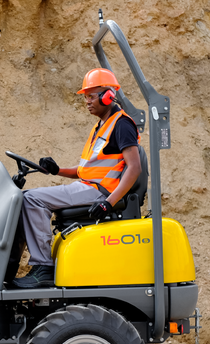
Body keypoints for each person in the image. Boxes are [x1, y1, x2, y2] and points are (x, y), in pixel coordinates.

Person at [10, 68, 142, 289]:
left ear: (108, 95)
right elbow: (85, 170)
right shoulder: (100, 126)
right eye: (85, 97)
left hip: (99, 192)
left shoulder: (121, 124)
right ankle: (40, 265)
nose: (87, 102)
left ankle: (43, 267)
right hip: (88, 185)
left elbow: (134, 167)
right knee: (28, 197)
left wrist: (108, 203)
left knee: (32, 199)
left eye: (91, 96)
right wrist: (56, 170)